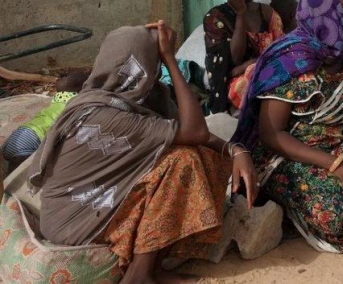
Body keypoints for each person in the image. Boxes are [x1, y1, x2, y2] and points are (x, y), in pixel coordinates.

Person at [29, 23, 257, 284]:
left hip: (96, 197)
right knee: (182, 162)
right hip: (75, 219)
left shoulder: (118, 100)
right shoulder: (103, 114)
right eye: (154, 61)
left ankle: (152, 268)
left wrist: (234, 149)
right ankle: (140, 276)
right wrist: (171, 59)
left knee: (199, 156)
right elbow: (196, 131)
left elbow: (193, 135)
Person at [230, 0, 343, 254]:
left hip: (338, 143)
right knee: (336, 212)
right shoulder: (290, 61)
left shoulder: (339, 53)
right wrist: (335, 164)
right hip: (290, 155)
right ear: (328, 19)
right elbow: (271, 135)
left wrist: (342, 158)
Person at [203, 0, 284, 114]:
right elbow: (234, 59)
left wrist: (253, 62)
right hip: (237, 83)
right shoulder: (216, 18)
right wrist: (240, 15)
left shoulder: (266, 13)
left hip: (273, 71)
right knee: (251, 76)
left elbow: (281, 48)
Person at [2, 70, 88, 170]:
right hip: (32, 138)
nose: (62, 75)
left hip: (21, 134)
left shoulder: (59, 97)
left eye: (66, 76)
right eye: (64, 75)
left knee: (17, 172)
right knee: (23, 175)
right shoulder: (77, 98)